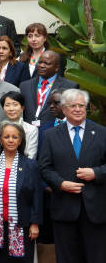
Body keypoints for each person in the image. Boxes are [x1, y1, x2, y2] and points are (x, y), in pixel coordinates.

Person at [39, 89, 106, 263]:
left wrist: (96, 173)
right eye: (73, 106)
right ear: (64, 109)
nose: (77, 109)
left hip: (95, 210)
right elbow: (44, 168)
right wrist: (60, 184)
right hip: (64, 208)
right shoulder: (50, 135)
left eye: (81, 105)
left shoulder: (101, 133)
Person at [0, 121, 42, 262]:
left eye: (15, 137)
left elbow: (37, 197)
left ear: (20, 140)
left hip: (22, 225)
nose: (11, 140)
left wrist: (35, 223)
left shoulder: (30, 165)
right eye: (6, 137)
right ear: (0, 139)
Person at [20, 50, 79, 127]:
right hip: (29, 133)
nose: (41, 65)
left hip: (54, 133)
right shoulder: (24, 86)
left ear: (56, 68)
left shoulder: (70, 87)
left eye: (46, 63)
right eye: (40, 62)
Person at [0, 92, 38, 159]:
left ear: (22, 108)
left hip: (25, 166)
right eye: (7, 105)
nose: (11, 109)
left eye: (15, 105)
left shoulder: (31, 129)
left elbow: (31, 156)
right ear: (3, 108)